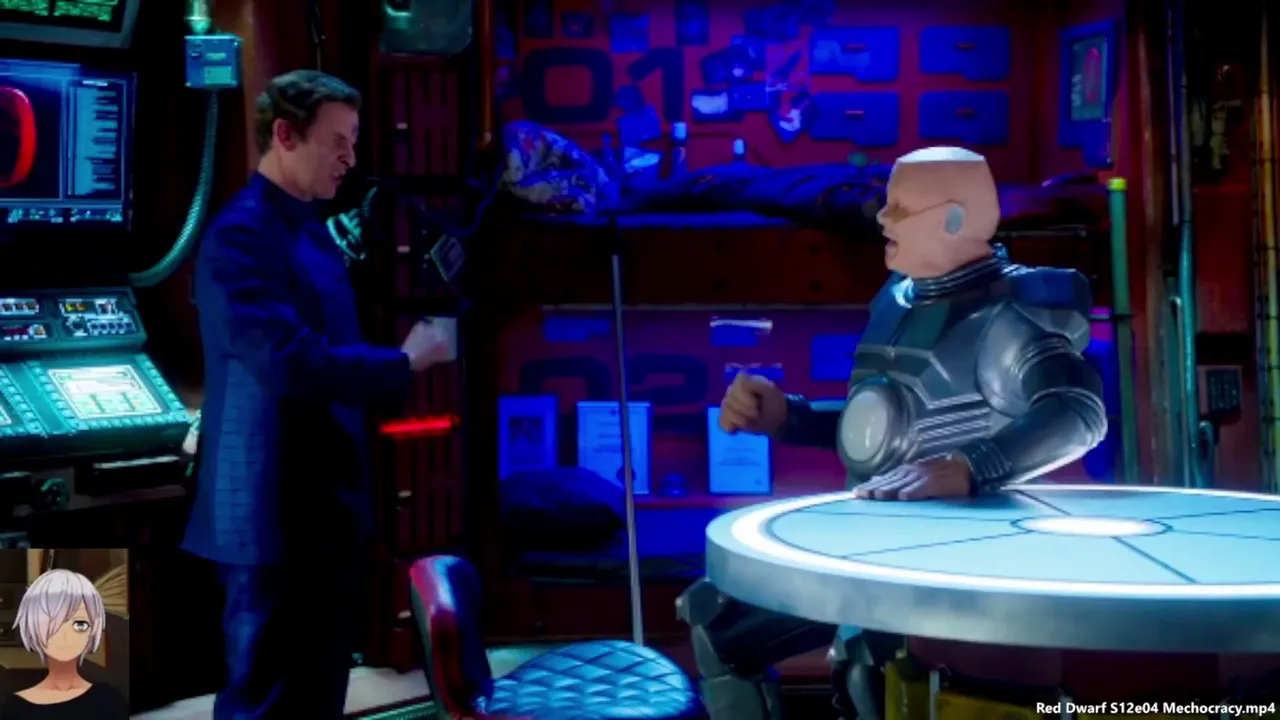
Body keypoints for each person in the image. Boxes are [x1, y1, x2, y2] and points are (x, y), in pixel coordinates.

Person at [682, 146, 1109, 720]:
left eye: (901, 208)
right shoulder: (900, 297)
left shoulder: (1009, 314)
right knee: (736, 635)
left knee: (860, 673)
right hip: (876, 544)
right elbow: (895, 426)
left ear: (954, 218)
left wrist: (972, 466)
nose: (882, 218)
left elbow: (1078, 411)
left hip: (951, 564)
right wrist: (789, 418)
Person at [183, 70, 453, 719]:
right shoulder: (240, 236)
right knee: (266, 700)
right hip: (270, 515)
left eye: (354, 141)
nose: (350, 158)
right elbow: (290, 363)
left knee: (318, 696)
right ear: (285, 135)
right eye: (338, 141)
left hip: (326, 512)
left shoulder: (306, 226)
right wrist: (408, 359)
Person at [0, 569, 129, 719]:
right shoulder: (14, 709)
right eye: (52, 624)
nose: (65, 636)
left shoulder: (110, 700)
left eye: (79, 625)